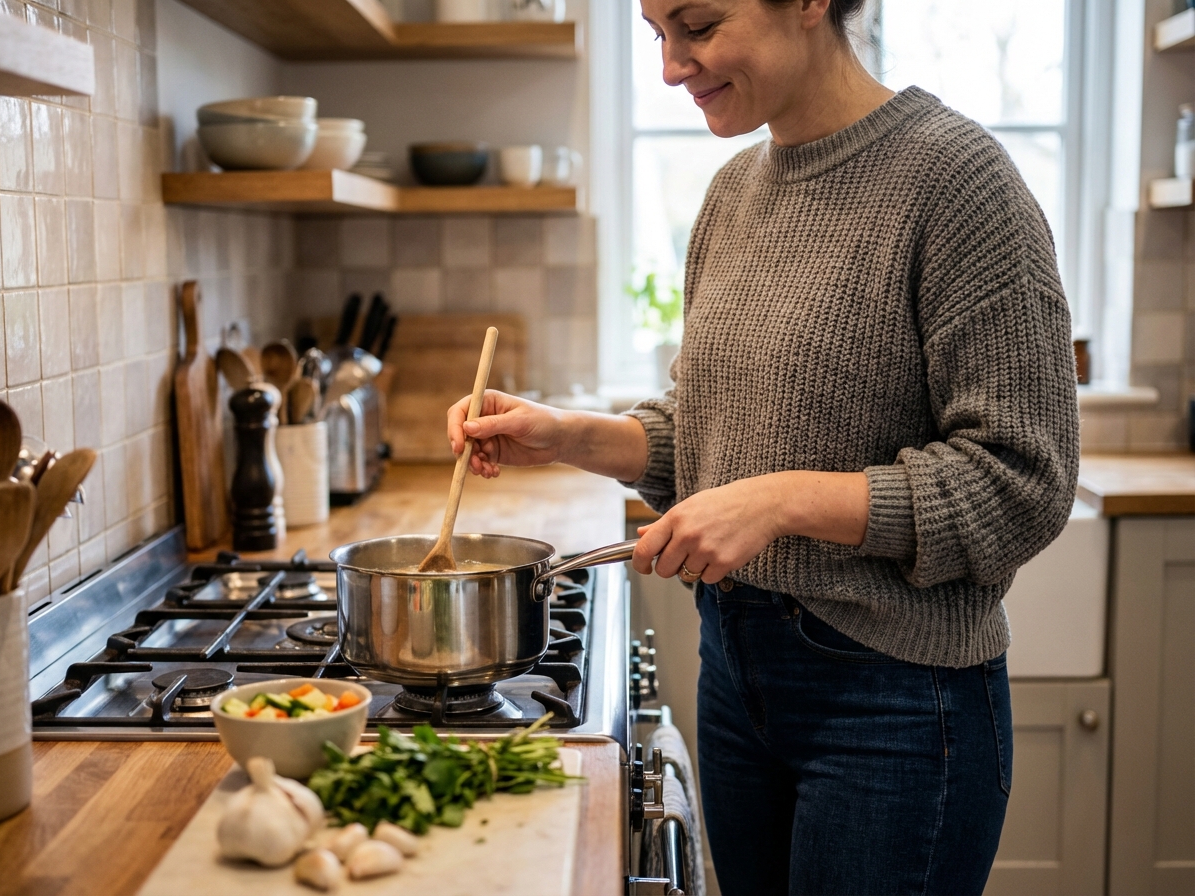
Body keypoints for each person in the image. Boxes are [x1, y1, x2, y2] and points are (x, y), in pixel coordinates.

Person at [446, 0, 1080, 892]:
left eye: (698, 26)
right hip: (736, 674)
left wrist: (779, 502)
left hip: (895, 702)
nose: (671, 66)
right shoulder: (733, 194)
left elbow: (1023, 482)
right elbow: (712, 436)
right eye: (657, 34)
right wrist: (566, 436)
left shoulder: (960, 181)